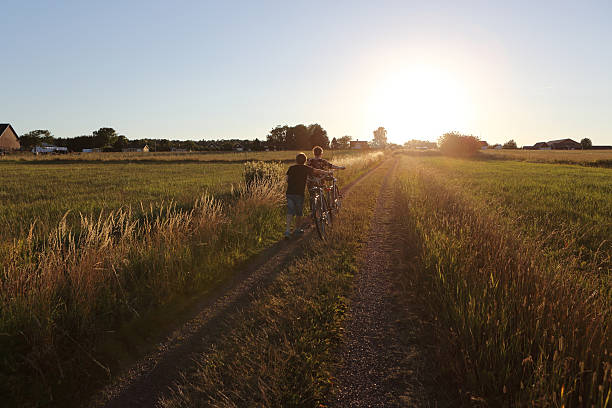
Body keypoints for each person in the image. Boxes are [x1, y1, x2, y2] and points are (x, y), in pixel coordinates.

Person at [285, 152, 330, 238]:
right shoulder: (305, 168)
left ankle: (287, 231)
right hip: (299, 193)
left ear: (296, 160)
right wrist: (327, 173)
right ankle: (297, 229)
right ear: (305, 161)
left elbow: (287, 179)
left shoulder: (291, 168)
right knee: (298, 212)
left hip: (289, 192)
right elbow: (317, 171)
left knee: (290, 211)